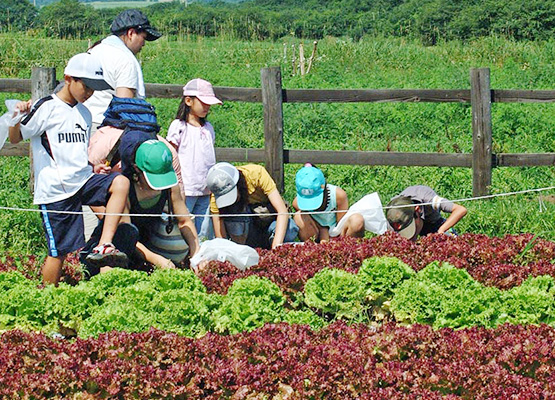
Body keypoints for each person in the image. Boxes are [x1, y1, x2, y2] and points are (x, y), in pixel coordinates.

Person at [8, 53, 130, 285]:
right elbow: (15, 138)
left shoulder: (85, 114)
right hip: (56, 191)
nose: (90, 92)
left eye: (95, 88)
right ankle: (46, 298)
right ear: (68, 79)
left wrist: (92, 167)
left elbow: (76, 153)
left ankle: (105, 244)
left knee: (121, 182)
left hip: (83, 180)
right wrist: (16, 116)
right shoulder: (46, 107)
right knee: (59, 253)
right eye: (87, 86)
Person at [84, 9, 162, 128]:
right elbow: (124, 106)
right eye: (143, 38)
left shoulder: (94, 50)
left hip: (83, 121)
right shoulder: (126, 60)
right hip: (106, 126)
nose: (144, 44)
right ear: (131, 33)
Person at [166, 78, 222, 234]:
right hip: (186, 189)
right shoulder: (179, 127)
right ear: (188, 101)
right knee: (184, 227)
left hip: (206, 189)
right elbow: (171, 153)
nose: (207, 107)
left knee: (203, 231)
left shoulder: (208, 128)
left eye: (208, 104)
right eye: (203, 103)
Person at [206, 162, 298, 249]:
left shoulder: (256, 174)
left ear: (238, 183)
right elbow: (220, 235)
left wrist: (276, 248)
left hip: (268, 222)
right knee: (234, 209)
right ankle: (244, 248)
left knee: (290, 228)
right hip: (245, 231)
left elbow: (282, 211)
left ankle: (269, 245)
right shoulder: (216, 194)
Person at [292, 164, 365, 242]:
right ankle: (312, 247)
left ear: (324, 187)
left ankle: (347, 246)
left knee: (357, 220)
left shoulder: (338, 195)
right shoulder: (297, 203)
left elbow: (341, 223)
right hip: (317, 233)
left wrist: (331, 239)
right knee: (298, 217)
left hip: (338, 233)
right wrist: (323, 232)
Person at [385, 185, 467, 241]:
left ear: (417, 210)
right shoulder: (393, 215)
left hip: (435, 224)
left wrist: (441, 231)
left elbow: (460, 210)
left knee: (452, 241)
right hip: (412, 223)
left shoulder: (427, 198)